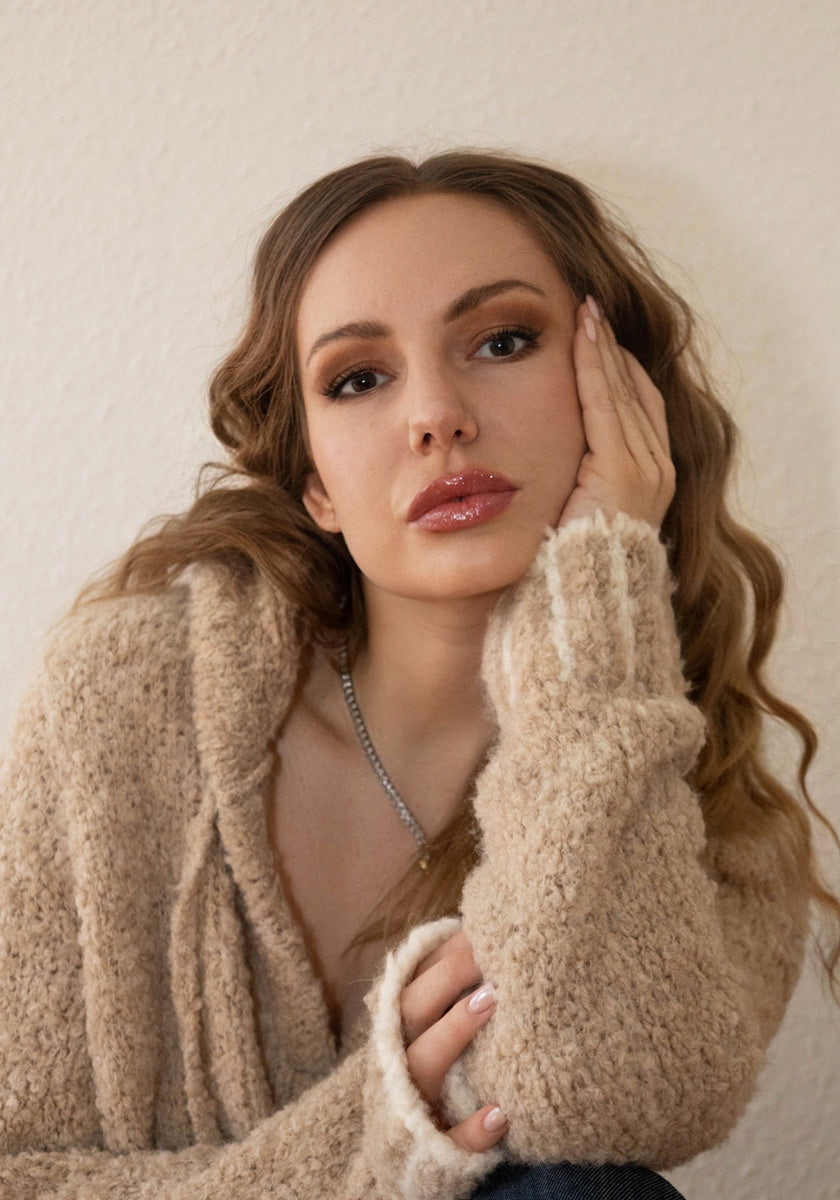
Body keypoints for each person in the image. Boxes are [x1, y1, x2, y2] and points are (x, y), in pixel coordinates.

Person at [0, 150, 837, 1200]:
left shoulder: (717, 811)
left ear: (622, 396)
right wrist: (384, 1127)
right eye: (359, 378)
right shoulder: (126, 700)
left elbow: (612, 1103)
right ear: (316, 483)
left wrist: (602, 591)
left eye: (502, 341)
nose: (436, 414)